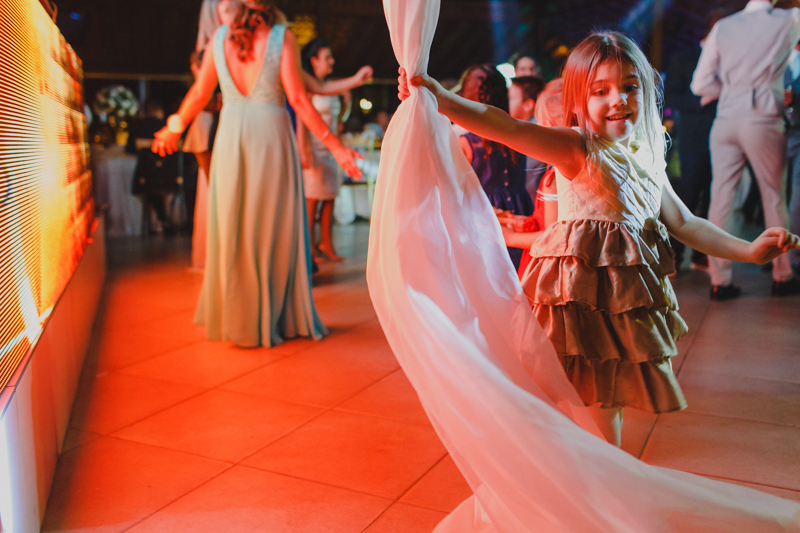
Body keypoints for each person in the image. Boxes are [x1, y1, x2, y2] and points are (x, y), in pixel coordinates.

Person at [399, 32, 800, 446]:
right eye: (601, 90)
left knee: (605, 412)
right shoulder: (578, 148)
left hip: (621, 305)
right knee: (592, 418)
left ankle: (592, 484)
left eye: (630, 87)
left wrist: (750, 252)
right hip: (579, 307)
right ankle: (593, 489)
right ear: (578, 101)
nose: (619, 100)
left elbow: (685, 221)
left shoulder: (646, 154)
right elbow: (506, 126)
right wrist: (441, 99)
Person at [153, 0, 364, 348]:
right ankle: (276, 315)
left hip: (232, 135)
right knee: (272, 224)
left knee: (233, 224)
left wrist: (173, 128)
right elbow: (298, 98)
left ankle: (237, 315)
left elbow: (199, 93)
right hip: (270, 135)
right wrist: (336, 147)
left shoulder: (219, 38)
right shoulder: (283, 36)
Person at [691, 0, 800, 298]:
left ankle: (719, 281)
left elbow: (699, 84)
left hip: (725, 118)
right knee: (773, 196)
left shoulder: (723, 27)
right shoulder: (790, 19)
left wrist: (729, 93)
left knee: (721, 198)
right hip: (763, 118)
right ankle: (783, 275)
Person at [664, 11, 727, 272]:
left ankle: (703, 254)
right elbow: (672, 97)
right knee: (687, 196)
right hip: (693, 136)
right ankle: (674, 255)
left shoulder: (732, 61)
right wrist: (702, 99)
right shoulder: (684, 58)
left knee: (715, 198)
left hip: (723, 137)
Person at [456, 65, 533, 269]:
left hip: (486, 215)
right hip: (521, 210)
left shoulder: (466, 144)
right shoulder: (518, 135)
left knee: (491, 276)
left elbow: (458, 193)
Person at [297, 38, 360, 263]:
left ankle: (326, 242)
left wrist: (346, 105)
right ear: (314, 60)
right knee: (312, 199)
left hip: (332, 150)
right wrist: (302, 150)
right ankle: (309, 248)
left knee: (330, 196)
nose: (331, 61)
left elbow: (338, 120)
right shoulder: (307, 87)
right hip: (314, 149)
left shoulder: (330, 87)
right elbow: (302, 121)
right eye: (327, 57)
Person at [508, 76, 547, 203]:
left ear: (528, 105)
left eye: (510, 98)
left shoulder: (532, 135)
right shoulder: (526, 129)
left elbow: (529, 183)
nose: (505, 102)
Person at [786, 41, 800, 273]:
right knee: (774, 194)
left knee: (797, 195)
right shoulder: (780, 54)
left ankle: (793, 257)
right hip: (775, 128)